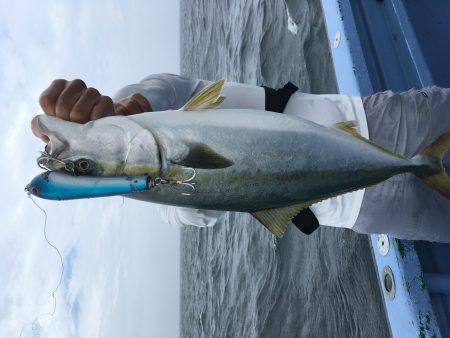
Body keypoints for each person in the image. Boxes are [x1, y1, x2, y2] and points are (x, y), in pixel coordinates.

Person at [33, 74, 450, 242]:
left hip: (371, 124)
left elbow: (168, 87)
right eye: (88, 167)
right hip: (366, 209)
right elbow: (188, 212)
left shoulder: (166, 110)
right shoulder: (162, 194)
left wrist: (130, 106)